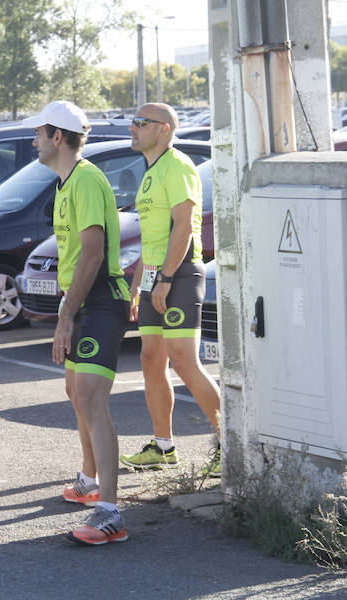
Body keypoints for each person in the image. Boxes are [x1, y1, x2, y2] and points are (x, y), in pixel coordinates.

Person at [23, 101, 130, 546]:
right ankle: (89, 480)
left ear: (58, 138)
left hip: (101, 300)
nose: (33, 140)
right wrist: (67, 311)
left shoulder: (85, 179)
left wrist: (65, 315)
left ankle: (111, 513)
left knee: (90, 397)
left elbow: (92, 254)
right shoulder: (66, 183)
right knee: (75, 393)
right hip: (83, 300)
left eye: (39, 133)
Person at [122, 103, 222, 477]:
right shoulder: (150, 171)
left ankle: (230, 445)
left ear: (163, 128)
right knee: (151, 359)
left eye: (139, 122)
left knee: (183, 360)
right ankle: (163, 447)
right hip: (153, 279)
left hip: (178, 276)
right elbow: (153, 236)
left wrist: (164, 278)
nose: (132, 128)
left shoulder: (178, 165)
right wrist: (137, 285)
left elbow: (182, 228)